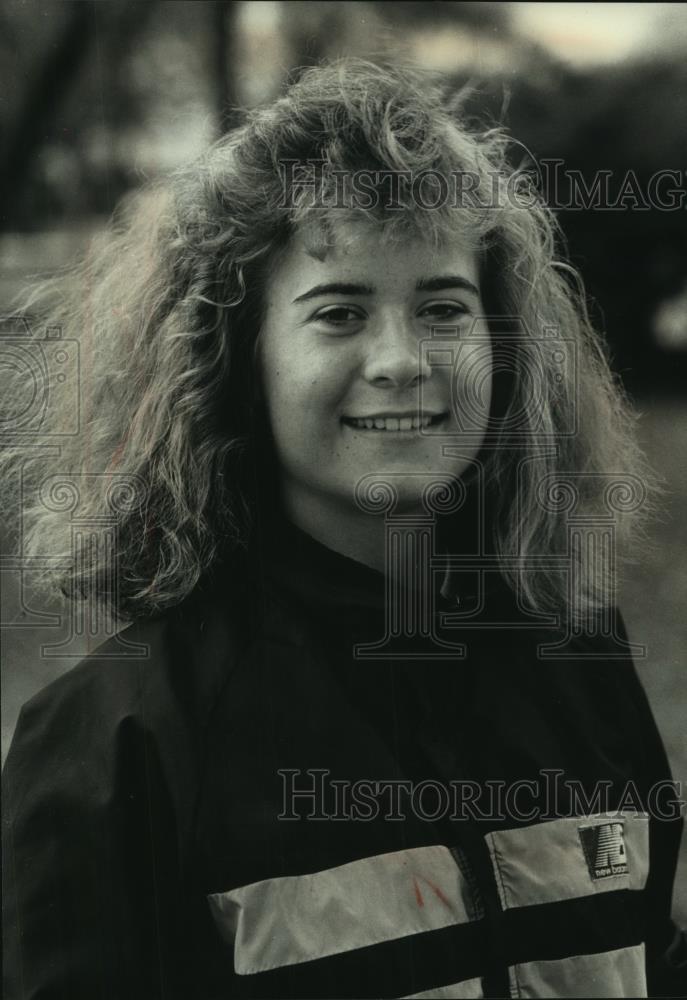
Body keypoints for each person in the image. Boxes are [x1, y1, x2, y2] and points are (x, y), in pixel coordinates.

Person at [2, 59, 685, 999]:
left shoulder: (581, 659)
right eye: (339, 312)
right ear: (233, 362)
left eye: (442, 306)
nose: (401, 360)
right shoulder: (120, 747)